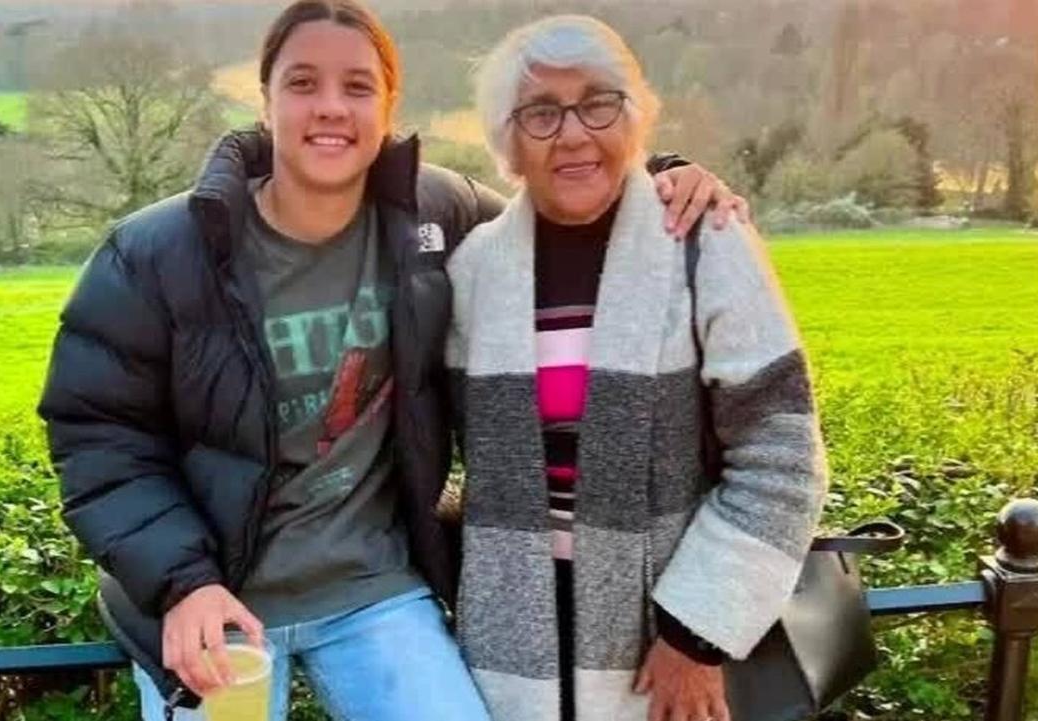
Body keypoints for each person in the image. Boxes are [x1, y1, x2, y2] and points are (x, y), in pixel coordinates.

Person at [37, 2, 747, 719]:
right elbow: (97, 436)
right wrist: (180, 583)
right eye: (303, 83)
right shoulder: (157, 252)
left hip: (372, 588)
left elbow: (563, 216)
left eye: (357, 86)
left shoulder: (436, 214)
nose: (330, 109)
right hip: (209, 604)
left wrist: (663, 174)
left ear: (388, 105)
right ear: (265, 99)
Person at [445, 15, 827, 721]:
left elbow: (781, 460)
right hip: (508, 641)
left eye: (598, 101)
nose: (573, 132)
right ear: (508, 141)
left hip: (663, 640)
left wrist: (697, 632)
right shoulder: (474, 271)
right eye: (540, 112)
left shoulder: (703, 241)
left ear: (636, 115)